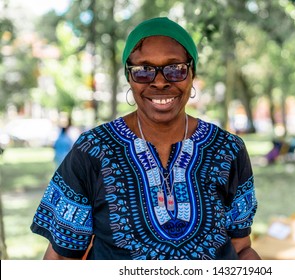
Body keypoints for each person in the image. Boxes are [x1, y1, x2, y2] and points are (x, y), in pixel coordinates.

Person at [31, 17, 261, 260]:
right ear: (129, 77)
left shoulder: (228, 149)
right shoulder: (93, 150)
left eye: (175, 69)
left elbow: (240, 247)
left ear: (191, 73)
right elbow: (62, 258)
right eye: (143, 71)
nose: (160, 82)